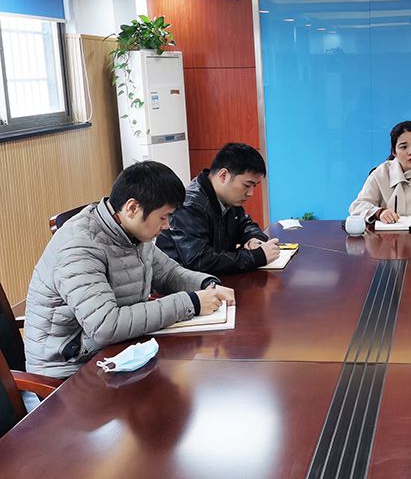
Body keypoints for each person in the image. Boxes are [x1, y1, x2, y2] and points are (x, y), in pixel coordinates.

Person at [25, 161, 234, 378]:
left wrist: (207, 285)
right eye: (163, 217)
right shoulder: (80, 246)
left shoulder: (129, 231)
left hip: (115, 354)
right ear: (132, 208)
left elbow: (168, 273)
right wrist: (191, 303)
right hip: (70, 371)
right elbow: (106, 326)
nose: (167, 226)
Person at [157, 143, 279, 275]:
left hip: (214, 280)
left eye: (254, 186)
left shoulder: (228, 198)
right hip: (180, 283)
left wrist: (254, 239)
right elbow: (199, 261)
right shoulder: (190, 205)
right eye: (247, 185)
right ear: (224, 175)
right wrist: (256, 257)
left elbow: (246, 224)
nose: (251, 193)